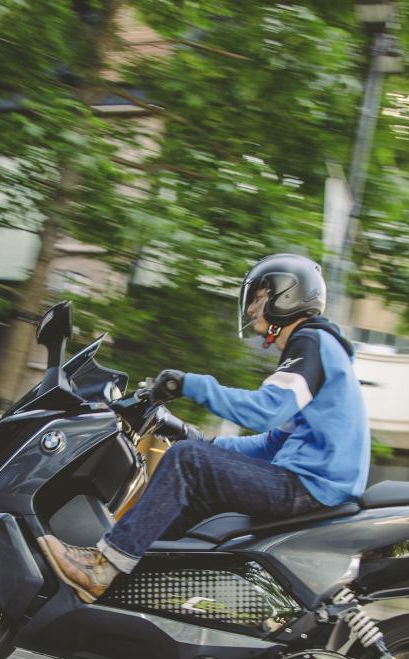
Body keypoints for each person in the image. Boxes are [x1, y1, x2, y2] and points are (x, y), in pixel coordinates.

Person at [38, 253, 371, 603]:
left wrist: (188, 384)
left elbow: (264, 411)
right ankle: (138, 591)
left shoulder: (311, 341)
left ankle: (103, 568)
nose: (252, 308)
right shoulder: (319, 349)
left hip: (311, 487)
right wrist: (206, 441)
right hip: (311, 485)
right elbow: (273, 443)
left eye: (259, 297)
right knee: (194, 484)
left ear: (287, 295)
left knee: (188, 461)